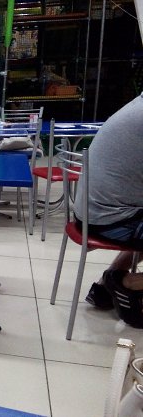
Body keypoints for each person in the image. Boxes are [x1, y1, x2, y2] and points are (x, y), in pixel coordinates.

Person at [77, 92, 143, 328]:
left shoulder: (135, 106)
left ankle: (107, 285)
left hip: (90, 213)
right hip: (110, 220)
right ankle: (127, 283)